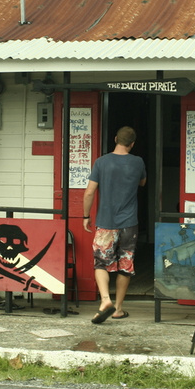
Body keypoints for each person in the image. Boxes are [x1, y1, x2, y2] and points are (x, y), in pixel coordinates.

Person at [82, 126, 147, 324]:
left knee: (102, 262)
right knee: (125, 264)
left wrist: (86, 216)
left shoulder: (101, 162)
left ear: (115, 138)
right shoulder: (138, 162)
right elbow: (142, 183)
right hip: (130, 223)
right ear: (132, 144)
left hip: (106, 222)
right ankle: (118, 309)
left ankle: (105, 301)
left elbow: (89, 192)